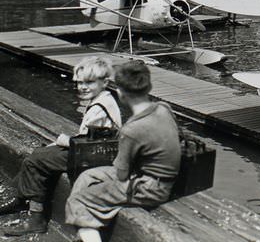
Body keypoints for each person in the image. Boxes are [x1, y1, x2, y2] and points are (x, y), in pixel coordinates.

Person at [0, 57, 121, 236]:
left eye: (89, 82)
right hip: (92, 151)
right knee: (40, 153)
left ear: (104, 82)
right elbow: (90, 137)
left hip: (93, 158)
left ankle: (36, 218)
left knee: (36, 160)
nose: (83, 87)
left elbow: (86, 142)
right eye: (79, 83)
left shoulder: (99, 108)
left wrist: (63, 140)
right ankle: (20, 198)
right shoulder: (104, 98)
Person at [65, 60, 181, 242]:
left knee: (77, 200)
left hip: (150, 188)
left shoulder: (132, 130)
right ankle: (85, 230)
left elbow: (121, 175)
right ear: (148, 86)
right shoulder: (163, 108)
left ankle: (87, 231)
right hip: (156, 177)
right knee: (87, 177)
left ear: (120, 92)